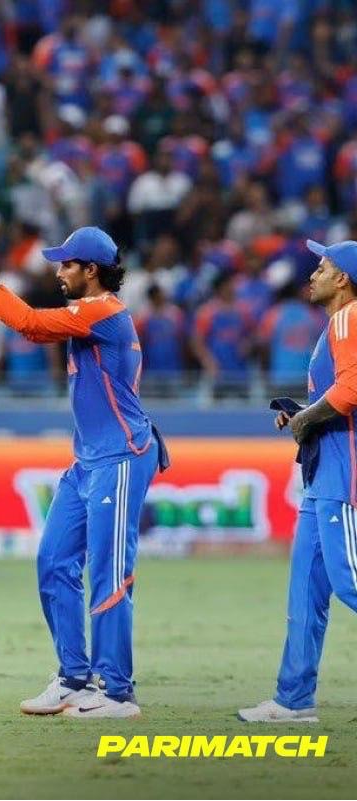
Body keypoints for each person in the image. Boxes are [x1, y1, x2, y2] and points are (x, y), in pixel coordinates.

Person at [0, 228, 169, 719]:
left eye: (67, 265)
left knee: (109, 572)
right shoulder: (86, 312)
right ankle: (74, 678)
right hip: (88, 460)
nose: (59, 272)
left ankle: (117, 692)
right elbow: (30, 319)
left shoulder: (104, 312)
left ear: (91, 270)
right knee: (54, 561)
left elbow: (31, 325)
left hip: (121, 456)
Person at [239, 239, 357, 723]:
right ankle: (294, 699)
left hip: (343, 475)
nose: (312, 275)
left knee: (350, 582)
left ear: (343, 279)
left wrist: (307, 418)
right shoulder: (334, 325)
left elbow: (351, 390)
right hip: (322, 474)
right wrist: (303, 413)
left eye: (322, 268)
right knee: (306, 592)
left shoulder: (349, 317)